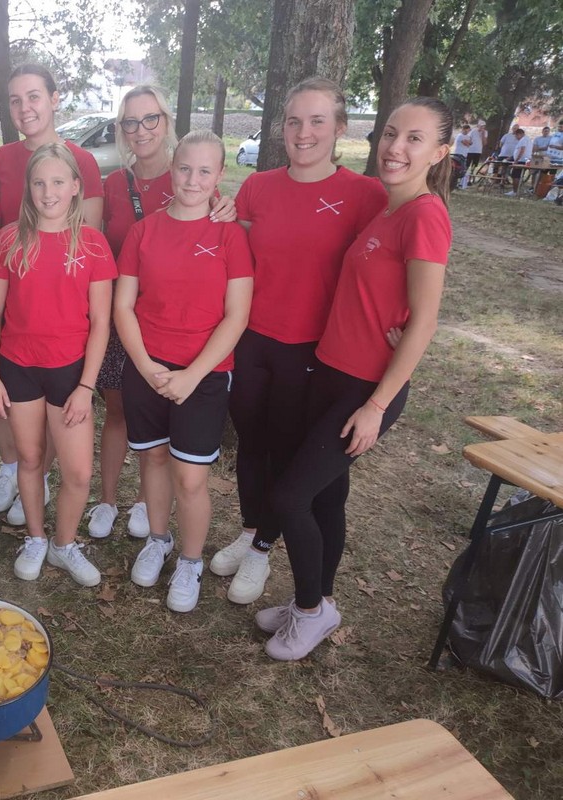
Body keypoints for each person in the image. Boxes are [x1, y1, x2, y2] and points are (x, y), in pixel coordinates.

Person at [259, 97, 453, 661]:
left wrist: (376, 405)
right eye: (391, 133)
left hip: (364, 390)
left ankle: (311, 611)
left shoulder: (424, 215)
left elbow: (426, 320)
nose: (396, 147)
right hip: (332, 371)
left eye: (414, 139)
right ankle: (317, 600)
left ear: (440, 152)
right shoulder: (387, 209)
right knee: (325, 498)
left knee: (291, 495)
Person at [215, 78, 387, 605]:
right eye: (293, 121)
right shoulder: (257, 187)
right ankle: (248, 531)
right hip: (251, 339)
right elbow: (232, 255)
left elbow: (386, 265)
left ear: (340, 129)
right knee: (250, 442)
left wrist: (397, 320)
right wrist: (220, 216)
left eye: (317, 121)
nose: (303, 132)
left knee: (287, 452)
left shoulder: (366, 195)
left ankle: (265, 548)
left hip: (313, 350)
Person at [114, 130, 253, 613]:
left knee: (190, 477)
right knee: (152, 460)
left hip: (205, 373)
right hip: (146, 368)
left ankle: (191, 561)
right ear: (172, 170)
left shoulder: (230, 235)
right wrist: (146, 365)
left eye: (205, 171)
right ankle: (158, 538)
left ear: (219, 176)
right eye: (185, 169)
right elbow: (124, 306)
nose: (193, 180)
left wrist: (192, 374)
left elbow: (237, 315)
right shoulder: (143, 231)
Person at [90, 85, 236, 541]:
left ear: (166, 121)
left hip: (183, 326)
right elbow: (93, 240)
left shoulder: (205, 190)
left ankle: (144, 505)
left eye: (150, 118)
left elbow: (225, 258)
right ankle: (111, 499)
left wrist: (229, 207)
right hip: (126, 312)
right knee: (121, 411)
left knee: (161, 427)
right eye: (130, 122)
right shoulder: (113, 183)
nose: (141, 130)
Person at [0, 144, 115, 587]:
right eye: (39, 183)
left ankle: (63, 543)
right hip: (19, 367)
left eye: (58, 182)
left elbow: (101, 323)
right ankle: (36, 538)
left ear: (76, 187)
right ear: (28, 189)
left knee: (78, 472)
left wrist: (86, 386)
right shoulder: (8, 239)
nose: (48, 191)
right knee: (31, 457)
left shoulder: (93, 245)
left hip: (70, 371)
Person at [0, 63, 106, 527]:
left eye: (33, 96)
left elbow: (82, 246)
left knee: (66, 427)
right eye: (15, 99)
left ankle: (49, 500)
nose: (24, 107)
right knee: (25, 435)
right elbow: (3, 247)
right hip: (20, 337)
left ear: (54, 98)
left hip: (68, 339)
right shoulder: (3, 161)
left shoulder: (83, 162)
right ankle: (24, 481)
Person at [506, 128, 532, 196]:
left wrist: (516, 160)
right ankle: (516, 190)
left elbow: (522, 150)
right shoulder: (528, 139)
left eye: (516, 135)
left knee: (515, 176)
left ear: (519, 134)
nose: (516, 137)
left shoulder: (523, 140)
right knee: (517, 175)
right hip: (525, 160)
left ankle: (515, 191)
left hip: (521, 161)